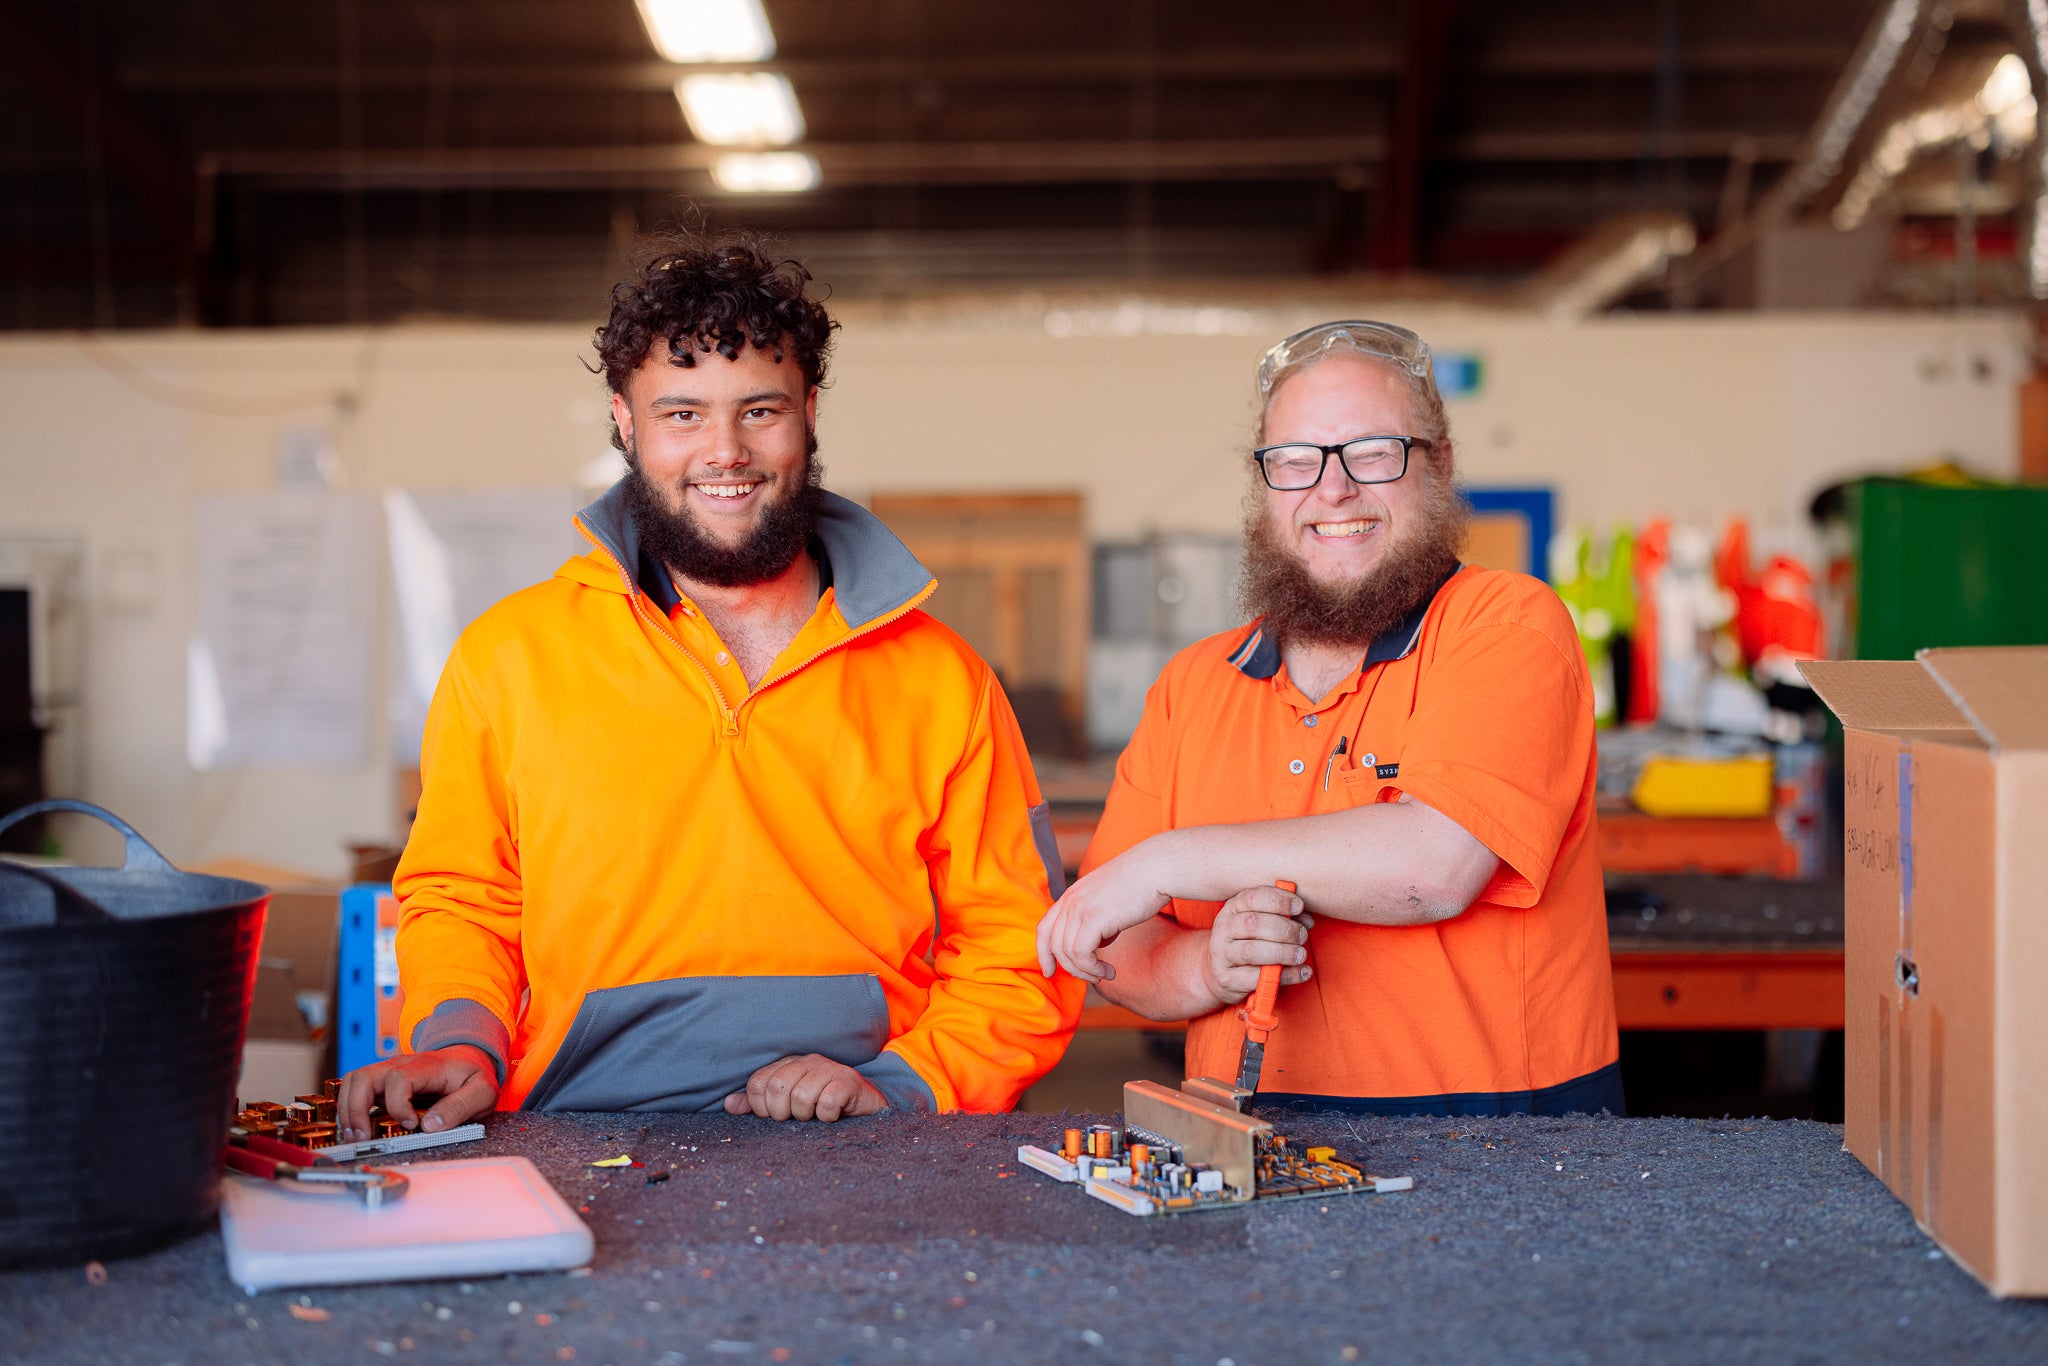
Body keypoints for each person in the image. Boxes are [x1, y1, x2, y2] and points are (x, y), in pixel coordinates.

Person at [339, 231, 1081, 1138]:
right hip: (573, 1131)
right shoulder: (508, 657)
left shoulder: (943, 678)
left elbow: (1020, 943)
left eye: (759, 410)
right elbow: (462, 897)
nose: (725, 451)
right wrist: (462, 1040)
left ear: (809, 413)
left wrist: (905, 1082)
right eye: (683, 414)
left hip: (863, 1137)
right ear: (625, 423)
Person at [1036, 320, 1621, 1117]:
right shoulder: (1193, 685)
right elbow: (1117, 943)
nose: (1333, 489)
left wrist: (1167, 861)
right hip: (1244, 1137)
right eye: (1296, 459)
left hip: (1499, 1148)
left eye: (1373, 452)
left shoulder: (1506, 626)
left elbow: (1434, 868)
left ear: (1441, 465)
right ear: (1264, 483)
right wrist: (1207, 965)